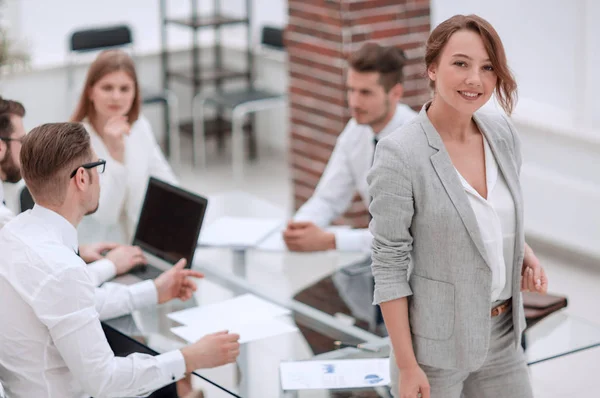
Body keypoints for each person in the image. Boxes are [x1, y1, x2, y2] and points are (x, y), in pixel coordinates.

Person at [368, 15, 549, 398]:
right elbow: (388, 264)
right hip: (434, 350)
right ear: (432, 69)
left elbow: (489, 216)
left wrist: (523, 252)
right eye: (461, 64)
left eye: (487, 67)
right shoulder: (399, 154)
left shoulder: (502, 134)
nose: (475, 80)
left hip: (502, 337)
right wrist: (406, 365)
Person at [0, 122, 240, 398]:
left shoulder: (13, 234)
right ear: (81, 178)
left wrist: (154, 291)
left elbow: (74, 300)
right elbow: (105, 381)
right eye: (98, 166)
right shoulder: (61, 269)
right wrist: (189, 358)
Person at [285, 43, 417, 362]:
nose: (354, 103)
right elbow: (329, 197)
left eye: (366, 93)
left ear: (395, 93)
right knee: (307, 309)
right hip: (376, 264)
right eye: (351, 91)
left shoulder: (416, 142)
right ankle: (356, 388)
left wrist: (330, 239)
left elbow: (407, 238)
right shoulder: (357, 130)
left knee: (374, 334)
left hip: (417, 271)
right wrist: (302, 225)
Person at [0, 96, 144, 286]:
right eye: (22, 140)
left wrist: (77, 251)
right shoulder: (6, 224)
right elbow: (63, 284)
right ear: (82, 178)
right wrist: (111, 265)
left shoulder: (14, 219)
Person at [71, 49, 177, 245]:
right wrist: (116, 155)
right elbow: (105, 216)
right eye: (107, 88)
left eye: (124, 89)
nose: (116, 97)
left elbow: (164, 179)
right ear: (91, 92)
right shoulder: (76, 141)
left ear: (135, 92)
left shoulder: (139, 127)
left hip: (142, 242)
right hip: (99, 250)